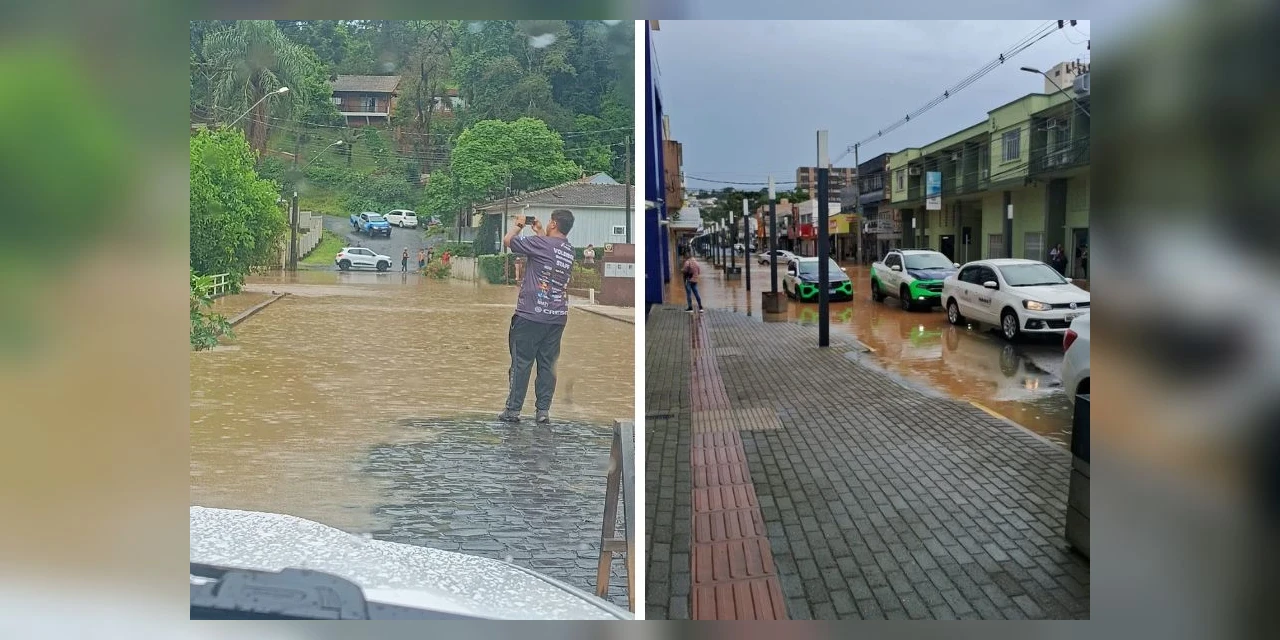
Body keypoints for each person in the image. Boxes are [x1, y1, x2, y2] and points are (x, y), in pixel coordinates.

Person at [498, 209, 576, 424]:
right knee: (547, 365)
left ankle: (513, 411)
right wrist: (541, 232)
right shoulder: (569, 250)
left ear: (553, 223)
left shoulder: (539, 243)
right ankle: (542, 411)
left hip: (531, 314)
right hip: (557, 316)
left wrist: (519, 225)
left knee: (521, 363)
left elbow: (508, 241)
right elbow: (550, 251)